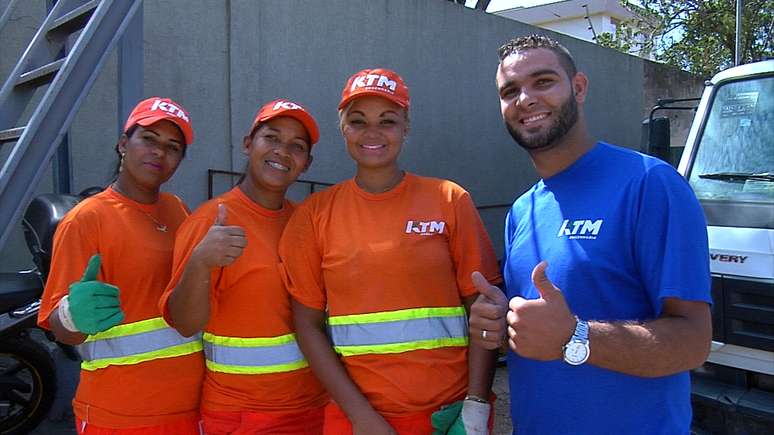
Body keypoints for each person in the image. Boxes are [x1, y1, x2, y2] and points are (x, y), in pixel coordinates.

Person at [468, 34, 713, 434]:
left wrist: (574, 336)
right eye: (510, 90)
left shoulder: (650, 185)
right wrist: (499, 327)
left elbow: (693, 342)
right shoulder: (522, 210)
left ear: (578, 88)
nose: (525, 99)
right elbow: (536, 338)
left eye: (543, 81)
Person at [279, 68, 503, 435]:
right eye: (358, 121)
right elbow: (307, 325)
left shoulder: (449, 199)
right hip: (358, 419)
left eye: (387, 121)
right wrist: (362, 418)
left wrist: (476, 405)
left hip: (448, 417)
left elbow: (482, 309)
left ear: (406, 127)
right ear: (343, 128)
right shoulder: (315, 215)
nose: (372, 133)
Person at [159, 99, 328, 434]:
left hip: (315, 407)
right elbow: (183, 322)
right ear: (249, 144)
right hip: (244, 415)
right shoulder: (209, 221)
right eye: (272, 138)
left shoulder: (307, 221)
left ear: (306, 164)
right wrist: (200, 263)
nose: (282, 151)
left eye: (296, 146)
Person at [37, 97, 204, 434]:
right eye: (149, 139)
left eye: (173, 146)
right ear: (123, 144)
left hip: (189, 409)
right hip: (117, 413)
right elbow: (59, 327)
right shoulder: (86, 219)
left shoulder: (178, 209)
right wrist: (71, 314)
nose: (159, 152)